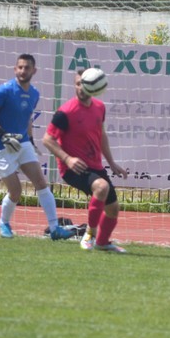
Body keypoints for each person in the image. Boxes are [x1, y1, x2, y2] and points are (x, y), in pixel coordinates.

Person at [0, 53, 75, 240]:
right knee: (16, 191)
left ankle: (55, 228)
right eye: (20, 67)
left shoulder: (34, 93)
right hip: (1, 146)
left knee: (41, 183)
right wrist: (3, 134)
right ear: (15, 69)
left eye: (27, 68)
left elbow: (28, 118)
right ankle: (4, 223)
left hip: (22, 143)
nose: (23, 71)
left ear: (34, 71)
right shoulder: (4, 91)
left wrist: (30, 141)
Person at [43, 67, 128, 253]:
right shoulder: (65, 112)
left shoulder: (100, 107)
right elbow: (47, 139)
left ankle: (102, 243)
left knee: (113, 209)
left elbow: (101, 135)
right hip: (73, 168)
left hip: (95, 166)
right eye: (78, 84)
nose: (81, 87)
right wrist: (67, 159)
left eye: (85, 83)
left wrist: (112, 163)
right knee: (101, 187)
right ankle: (89, 235)